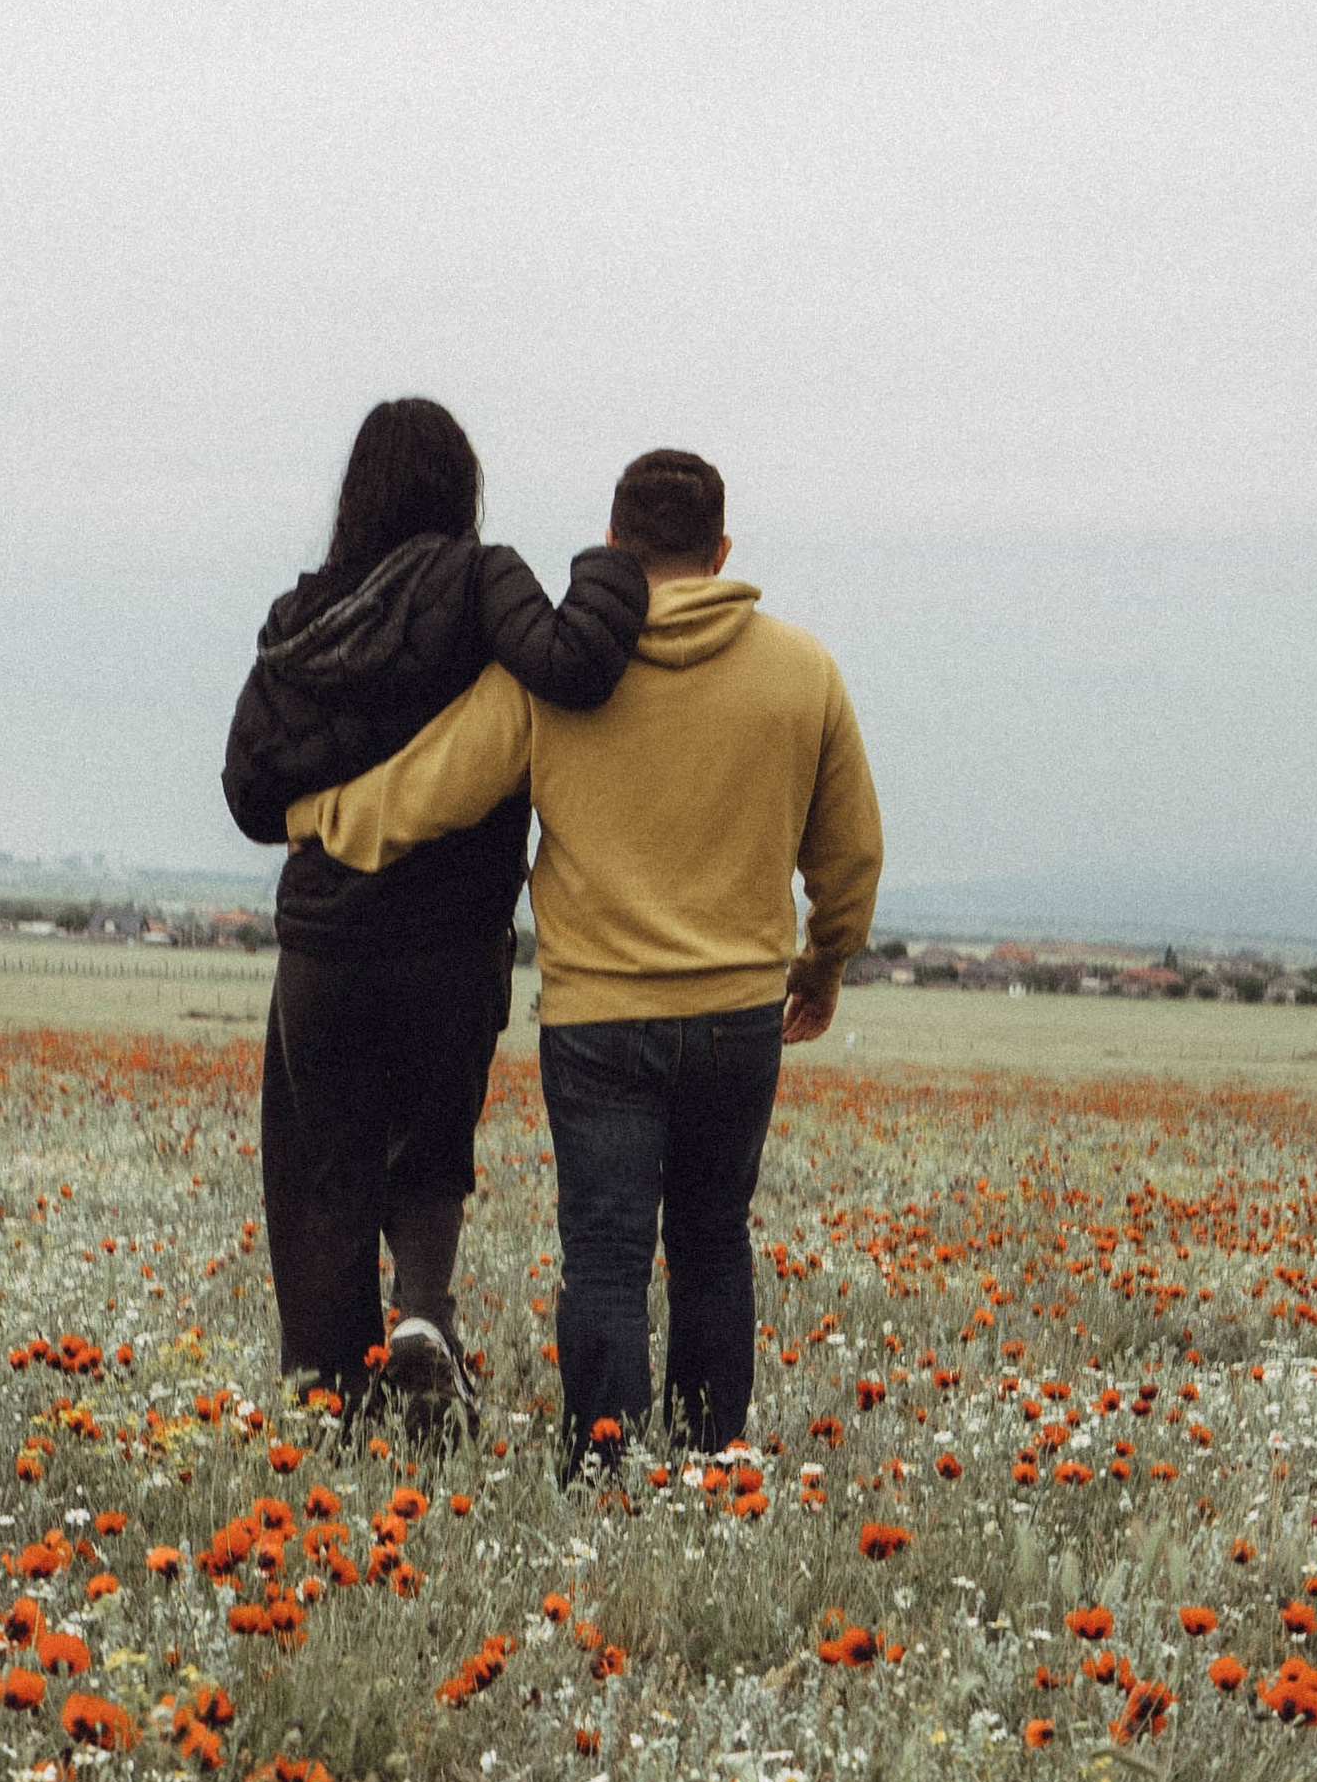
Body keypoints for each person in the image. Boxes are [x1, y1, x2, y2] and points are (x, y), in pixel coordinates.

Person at [282, 446, 881, 1463]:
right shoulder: (802, 672)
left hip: (599, 1018)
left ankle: (603, 1467)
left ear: (612, 543)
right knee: (712, 1245)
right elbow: (850, 854)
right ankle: (708, 1468)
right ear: (722, 548)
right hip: (739, 1013)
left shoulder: (555, 677)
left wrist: (309, 812)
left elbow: (427, 792)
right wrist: (821, 967)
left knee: (602, 1256)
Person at [222, 398, 646, 1425]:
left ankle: (328, 1392)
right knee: (429, 1148)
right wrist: (609, 569)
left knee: (324, 1170)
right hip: (451, 943)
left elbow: (245, 792)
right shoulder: (478, 578)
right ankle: (419, 1327)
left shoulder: (303, 622)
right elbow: (574, 667)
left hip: (326, 946)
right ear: (461, 489)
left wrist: (334, 787)